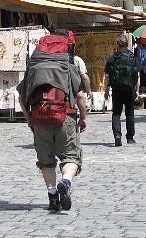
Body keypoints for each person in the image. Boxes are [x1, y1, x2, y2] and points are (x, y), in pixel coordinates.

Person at [17, 33, 88, 212]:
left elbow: (21, 98)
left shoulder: (34, 68)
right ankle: (66, 181)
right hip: (66, 118)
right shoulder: (68, 66)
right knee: (70, 157)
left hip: (39, 120)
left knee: (46, 162)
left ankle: (52, 197)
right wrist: (84, 117)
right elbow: (79, 96)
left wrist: (30, 121)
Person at [104, 32, 139, 147]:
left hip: (117, 89)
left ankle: (117, 136)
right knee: (130, 113)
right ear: (127, 44)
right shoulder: (132, 57)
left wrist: (106, 90)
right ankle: (130, 137)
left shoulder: (112, 59)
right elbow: (136, 75)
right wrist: (137, 90)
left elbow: (107, 76)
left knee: (116, 113)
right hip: (129, 89)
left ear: (117, 45)